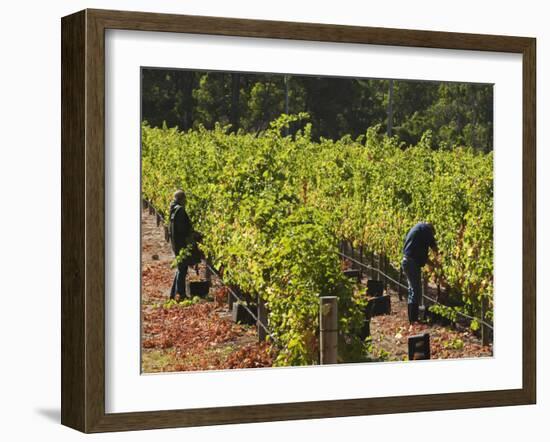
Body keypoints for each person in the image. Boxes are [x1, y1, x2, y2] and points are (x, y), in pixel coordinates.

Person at [401, 222, 438, 324]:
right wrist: (438, 260)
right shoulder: (426, 229)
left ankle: (412, 319)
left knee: (412, 289)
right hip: (412, 263)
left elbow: (421, 254)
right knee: (415, 290)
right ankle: (414, 319)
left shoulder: (419, 230)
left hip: (406, 261)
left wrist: (432, 263)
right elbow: (434, 247)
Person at [169, 190, 193, 300]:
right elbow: (182, 229)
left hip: (176, 243)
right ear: (182, 199)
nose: (186, 201)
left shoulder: (173, 210)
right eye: (185, 199)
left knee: (180, 268)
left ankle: (174, 293)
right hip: (181, 243)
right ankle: (180, 294)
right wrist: (192, 234)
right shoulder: (180, 210)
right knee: (182, 268)